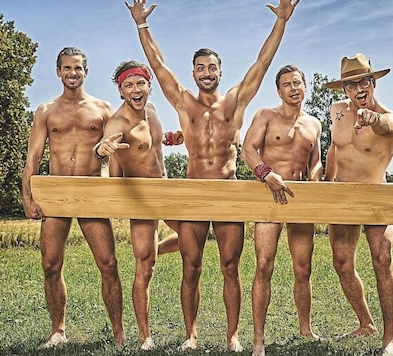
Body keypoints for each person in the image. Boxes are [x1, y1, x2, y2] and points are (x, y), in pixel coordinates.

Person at [125, 0, 300, 352]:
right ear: (193, 73)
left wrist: (280, 21)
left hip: (228, 191)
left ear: (220, 71)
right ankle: (191, 335)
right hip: (193, 191)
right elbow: (157, 65)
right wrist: (142, 24)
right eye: (200, 67)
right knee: (191, 266)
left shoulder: (234, 102)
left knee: (230, 267)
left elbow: (262, 63)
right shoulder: (183, 102)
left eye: (212, 67)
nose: (206, 72)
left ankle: (232, 336)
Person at [21, 47, 126, 348]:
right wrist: (28, 197)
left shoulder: (103, 109)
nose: (72, 73)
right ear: (58, 72)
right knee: (51, 265)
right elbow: (33, 158)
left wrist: (115, 193)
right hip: (56, 192)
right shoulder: (46, 111)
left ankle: (118, 334)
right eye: (67, 68)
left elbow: (117, 154)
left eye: (78, 68)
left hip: (91, 191)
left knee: (108, 263)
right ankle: (58, 330)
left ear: (86, 72)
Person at [93, 60, 182, 350]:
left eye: (140, 83)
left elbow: (151, 144)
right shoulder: (118, 122)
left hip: (165, 190)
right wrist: (103, 149)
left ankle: (155, 248)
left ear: (149, 86)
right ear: (121, 91)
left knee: (193, 239)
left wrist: (169, 138)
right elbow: (105, 145)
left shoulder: (153, 111)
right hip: (141, 198)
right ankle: (146, 337)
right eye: (128, 85)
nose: (135, 89)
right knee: (145, 267)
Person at [323, 53, 393, 356]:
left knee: (382, 259)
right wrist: (326, 182)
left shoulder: (389, 117)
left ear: (373, 83)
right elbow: (334, 147)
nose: (359, 88)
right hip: (341, 196)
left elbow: (388, 128)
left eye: (364, 82)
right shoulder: (337, 111)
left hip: (375, 197)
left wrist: (375, 120)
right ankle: (365, 323)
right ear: (345, 90)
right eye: (351, 84)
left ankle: (389, 339)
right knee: (342, 264)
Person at [240, 64, 323, 356]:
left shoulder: (314, 124)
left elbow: (315, 160)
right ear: (279, 90)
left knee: (303, 269)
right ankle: (259, 341)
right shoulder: (265, 115)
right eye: (287, 84)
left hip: (299, 198)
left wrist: (316, 175)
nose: (293, 88)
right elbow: (247, 148)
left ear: (305, 87)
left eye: (298, 83)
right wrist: (265, 172)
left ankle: (305, 329)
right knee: (264, 265)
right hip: (268, 196)